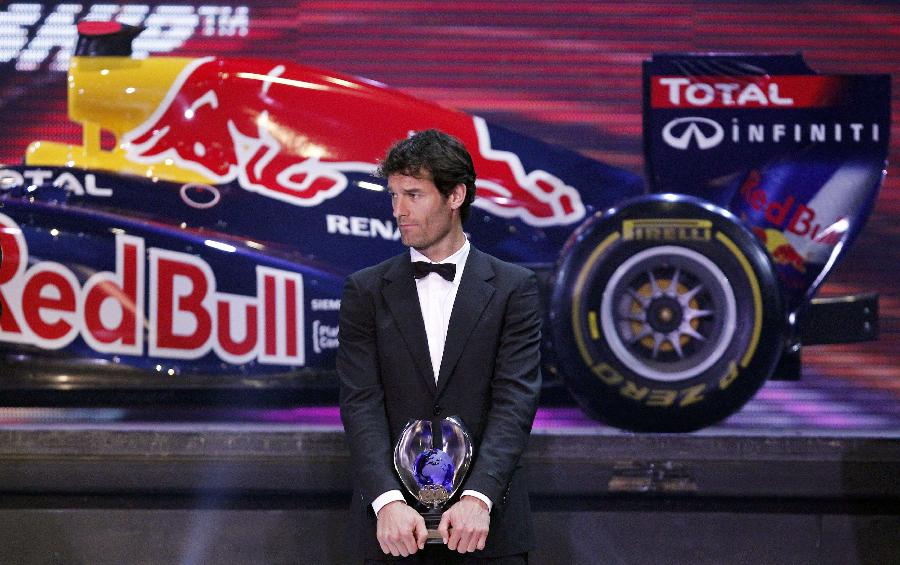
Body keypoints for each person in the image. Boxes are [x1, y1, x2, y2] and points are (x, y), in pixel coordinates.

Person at [338, 129, 542, 564]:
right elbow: (361, 403)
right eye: (393, 195)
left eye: (413, 194)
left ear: (455, 196)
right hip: (391, 532)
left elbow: (515, 401)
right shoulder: (366, 290)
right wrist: (386, 501)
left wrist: (480, 498)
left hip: (487, 527)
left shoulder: (514, 288)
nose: (398, 211)